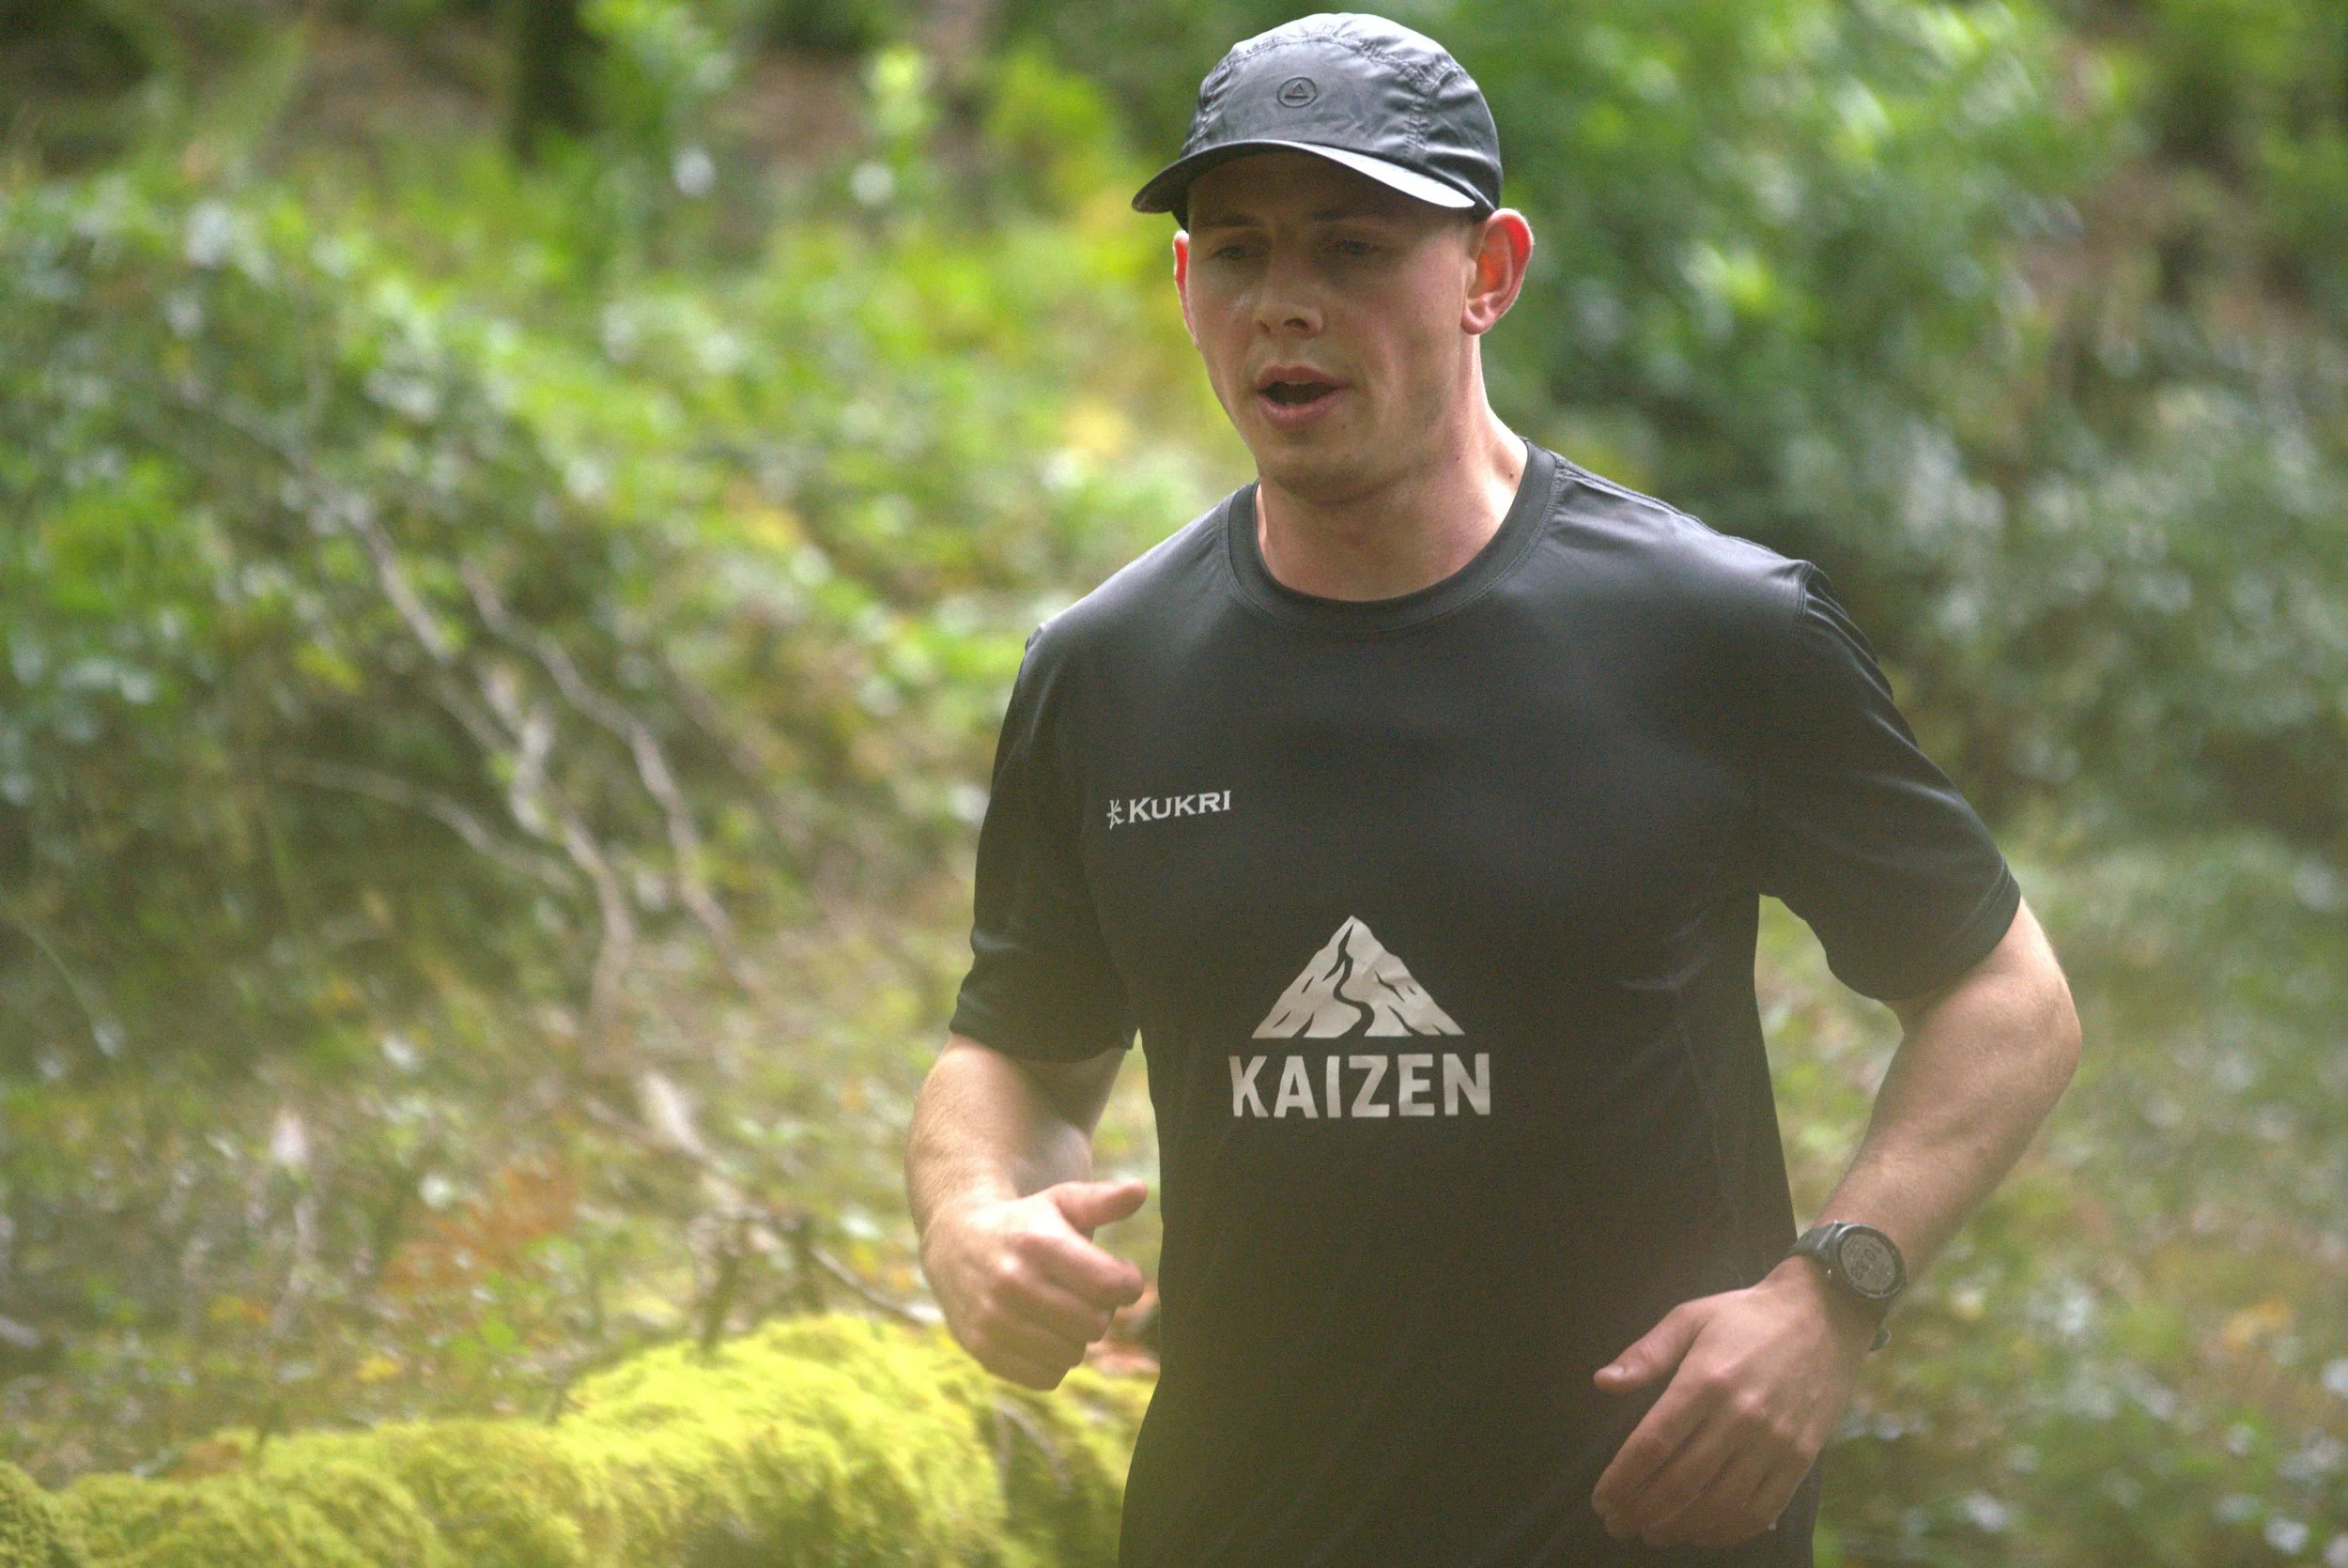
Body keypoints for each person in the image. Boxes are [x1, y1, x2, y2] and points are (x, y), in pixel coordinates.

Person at [904, 13, 2082, 1565]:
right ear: (1186, 286)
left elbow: (2009, 997)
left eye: (1355, 245)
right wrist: (973, 1221)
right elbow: (1017, 1052)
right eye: (1241, 251)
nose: (1288, 306)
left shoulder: (1714, 630)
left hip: (1643, 1526)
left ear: (1489, 272)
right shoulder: (1108, 669)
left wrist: (1828, 1297)